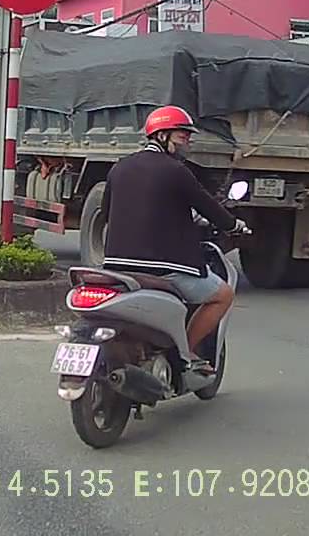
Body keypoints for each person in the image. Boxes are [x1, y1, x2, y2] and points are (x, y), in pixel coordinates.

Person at [99, 105, 247, 374]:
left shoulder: (119, 167)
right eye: (182, 135)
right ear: (162, 135)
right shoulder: (176, 171)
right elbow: (209, 208)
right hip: (164, 270)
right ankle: (185, 352)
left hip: (116, 266)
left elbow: (106, 211)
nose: (187, 142)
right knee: (223, 295)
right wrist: (234, 224)